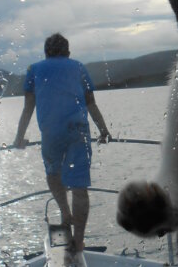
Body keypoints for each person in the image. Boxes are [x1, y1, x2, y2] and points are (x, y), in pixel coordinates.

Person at [13, 33, 111, 251]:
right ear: (68, 51)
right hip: (78, 131)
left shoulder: (34, 70)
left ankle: (65, 213)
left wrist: (19, 137)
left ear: (46, 52)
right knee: (79, 186)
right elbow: (91, 104)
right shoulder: (78, 67)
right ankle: (79, 239)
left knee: (52, 173)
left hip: (51, 132)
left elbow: (28, 107)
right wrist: (103, 130)